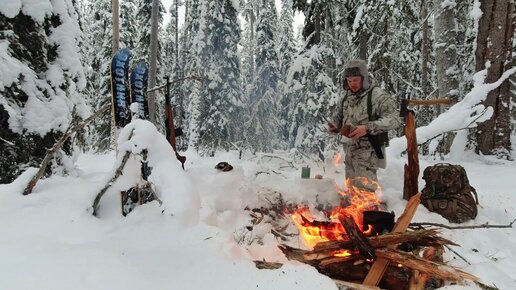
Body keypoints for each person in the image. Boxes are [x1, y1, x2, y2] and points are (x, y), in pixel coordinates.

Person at [329, 59, 401, 192]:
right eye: (349, 81)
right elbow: (337, 118)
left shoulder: (377, 96)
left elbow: (394, 119)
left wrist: (367, 128)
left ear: (364, 78)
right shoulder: (345, 97)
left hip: (368, 153)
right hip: (349, 153)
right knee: (352, 195)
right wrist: (334, 127)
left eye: (355, 80)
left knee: (366, 196)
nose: (352, 84)